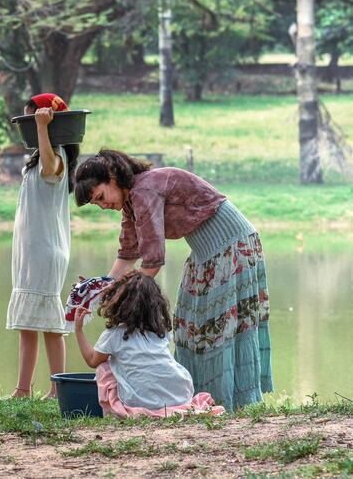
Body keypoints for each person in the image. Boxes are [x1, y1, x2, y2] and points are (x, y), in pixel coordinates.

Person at [74, 149, 272, 411]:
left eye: (101, 196)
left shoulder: (144, 189)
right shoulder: (131, 202)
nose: (103, 205)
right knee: (190, 326)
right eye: (96, 204)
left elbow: (152, 262)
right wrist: (96, 290)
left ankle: (232, 402)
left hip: (230, 242)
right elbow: (127, 256)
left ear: (112, 177)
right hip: (206, 251)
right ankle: (202, 400)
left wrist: (117, 300)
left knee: (218, 325)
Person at [6, 93, 80, 399]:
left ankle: (55, 388)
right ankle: (23, 389)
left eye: (32, 118)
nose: (29, 126)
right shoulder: (35, 158)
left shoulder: (57, 155)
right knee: (28, 322)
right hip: (29, 249)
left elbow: (50, 169)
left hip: (46, 249)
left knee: (50, 323)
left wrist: (42, 129)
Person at [74, 271, 224, 417]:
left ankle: (110, 411)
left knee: (103, 366)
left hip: (139, 401)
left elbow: (92, 361)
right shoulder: (161, 332)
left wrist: (78, 330)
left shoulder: (114, 334)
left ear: (119, 303)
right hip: (180, 394)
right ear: (156, 304)